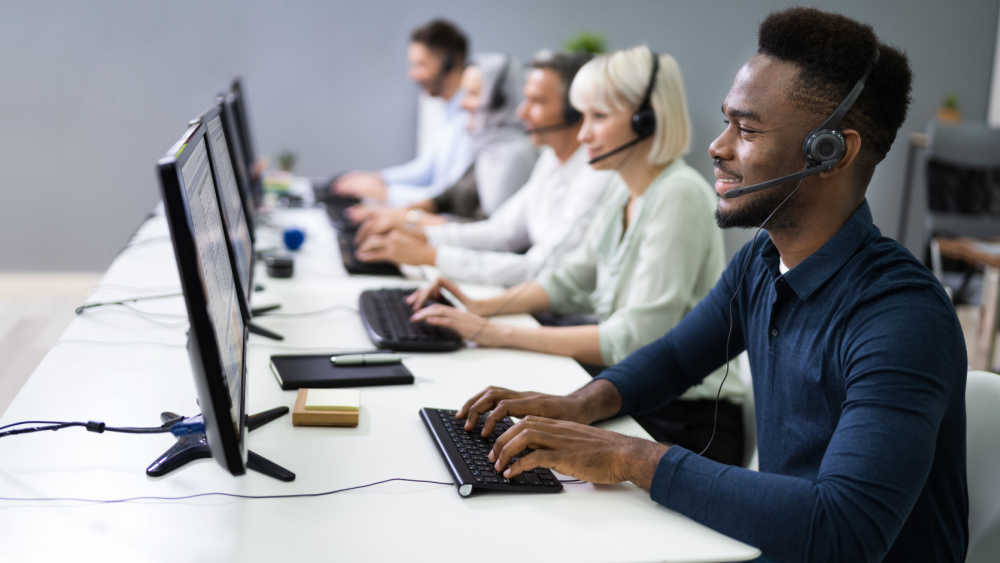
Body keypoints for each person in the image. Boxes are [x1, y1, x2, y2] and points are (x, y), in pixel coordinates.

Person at [453, 8, 968, 563]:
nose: (717, 147)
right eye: (727, 122)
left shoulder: (901, 318)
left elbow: (843, 529)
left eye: (746, 129)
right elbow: (676, 358)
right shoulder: (761, 263)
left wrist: (631, 458)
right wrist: (577, 406)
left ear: (831, 151)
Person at [410, 46, 746, 464]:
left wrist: (493, 332)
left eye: (598, 118)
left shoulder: (679, 194)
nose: (582, 133)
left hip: (689, 422)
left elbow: (633, 339)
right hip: (634, 397)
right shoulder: (624, 185)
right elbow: (568, 281)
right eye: (582, 116)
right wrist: (481, 306)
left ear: (648, 120)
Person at [352, 51, 611, 288]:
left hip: (554, 307)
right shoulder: (550, 160)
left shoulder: (593, 176)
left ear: (575, 112)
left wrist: (430, 253)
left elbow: (541, 268)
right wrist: (419, 234)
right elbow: (501, 231)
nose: (522, 112)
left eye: (537, 102)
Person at [349, 53, 538, 241]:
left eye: (472, 94)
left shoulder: (513, 155)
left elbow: (492, 232)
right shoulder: (490, 145)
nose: (463, 104)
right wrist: (397, 214)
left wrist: (411, 221)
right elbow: (448, 196)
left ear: (499, 100)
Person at [332, 19, 475, 206]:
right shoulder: (447, 109)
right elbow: (426, 170)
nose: (412, 75)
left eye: (421, 65)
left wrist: (385, 193)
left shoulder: (472, 117)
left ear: (449, 63)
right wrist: (378, 178)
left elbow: (447, 196)